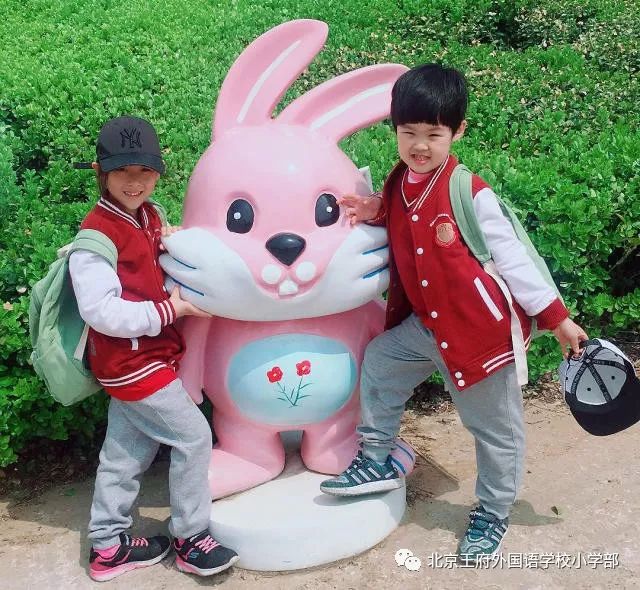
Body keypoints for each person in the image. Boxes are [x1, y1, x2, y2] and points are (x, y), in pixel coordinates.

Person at [320, 64, 588, 561]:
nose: (420, 145)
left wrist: (557, 318)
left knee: (495, 431)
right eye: (409, 133)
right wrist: (376, 208)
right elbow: (403, 212)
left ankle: (493, 512)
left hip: (478, 337)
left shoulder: (470, 192)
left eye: (433, 134)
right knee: (381, 360)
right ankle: (376, 458)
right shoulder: (399, 182)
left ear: (457, 131)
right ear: (395, 130)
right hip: (426, 329)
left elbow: (516, 261)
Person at [69, 116, 238, 581]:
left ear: (157, 170)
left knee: (124, 455)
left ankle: (108, 546)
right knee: (193, 437)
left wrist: (172, 241)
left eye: (144, 170)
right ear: (101, 172)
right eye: (123, 171)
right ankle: (191, 538)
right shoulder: (95, 240)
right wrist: (172, 309)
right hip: (134, 364)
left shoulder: (148, 215)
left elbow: (150, 262)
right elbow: (101, 312)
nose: (135, 181)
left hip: (141, 360)